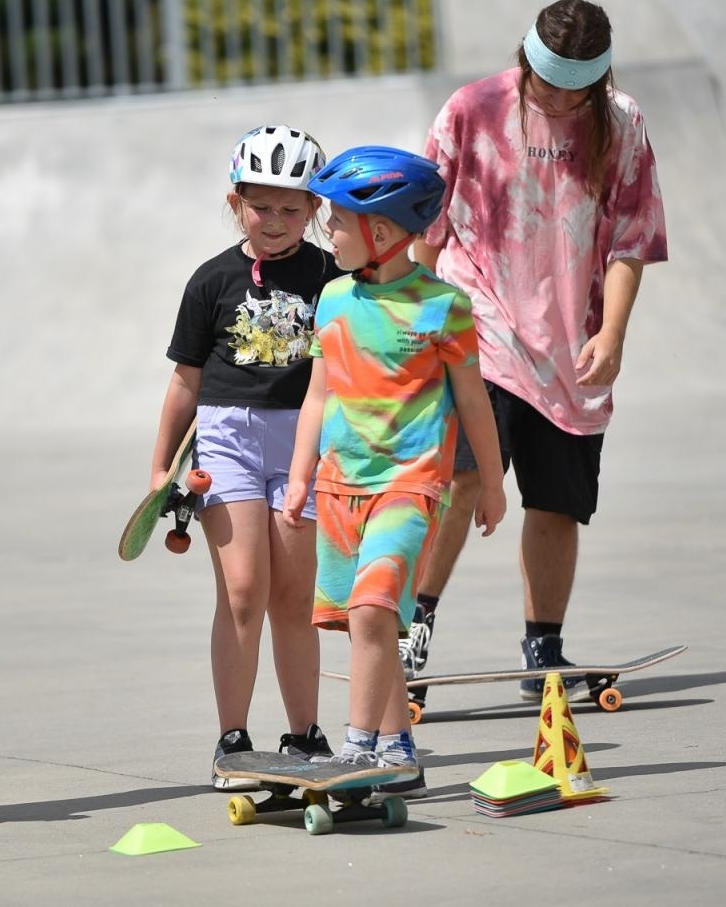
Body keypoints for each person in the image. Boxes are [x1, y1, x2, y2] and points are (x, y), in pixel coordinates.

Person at [402, 0, 667, 699]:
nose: (557, 98)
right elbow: (423, 229)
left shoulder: (622, 123)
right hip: (475, 330)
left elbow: (631, 241)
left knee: (557, 502)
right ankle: (410, 633)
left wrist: (612, 333)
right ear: (525, 58)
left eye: (574, 86)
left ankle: (543, 647)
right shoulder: (472, 109)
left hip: (571, 345)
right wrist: (409, 324)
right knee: (458, 482)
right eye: (547, 82)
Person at [285, 145, 507, 797]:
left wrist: (492, 484)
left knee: (374, 608)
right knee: (363, 624)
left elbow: (473, 402)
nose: (328, 230)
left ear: (379, 232)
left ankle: (358, 751)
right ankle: (398, 752)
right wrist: (300, 476)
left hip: (411, 485)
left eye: (337, 220)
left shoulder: (443, 307)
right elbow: (317, 397)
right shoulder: (330, 299)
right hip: (338, 485)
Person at [152, 125, 343, 788]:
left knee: (294, 599)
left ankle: (304, 736)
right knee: (242, 593)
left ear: (316, 210)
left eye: (293, 209)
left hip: (303, 446)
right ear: (236, 202)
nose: (276, 221)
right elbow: (185, 381)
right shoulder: (211, 281)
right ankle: (232, 739)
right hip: (227, 440)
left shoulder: (332, 278)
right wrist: (160, 470)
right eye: (262, 206)